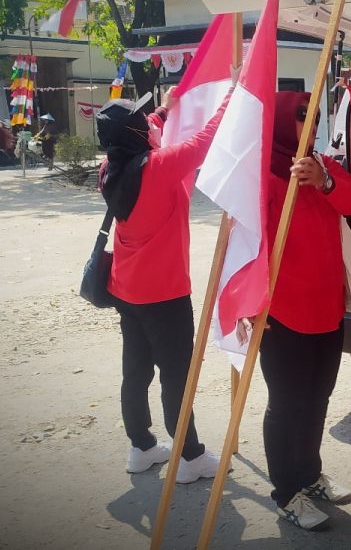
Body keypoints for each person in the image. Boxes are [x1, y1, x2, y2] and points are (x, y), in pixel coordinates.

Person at [243, 91, 351, 530]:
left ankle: (310, 477)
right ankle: (287, 492)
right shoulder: (262, 176)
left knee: (318, 399)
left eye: (314, 117)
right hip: (282, 315)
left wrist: (325, 182)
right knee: (287, 405)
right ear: (279, 121)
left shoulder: (322, 165)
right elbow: (245, 245)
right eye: (300, 116)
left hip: (328, 310)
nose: (310, 125)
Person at [96, 89, 227, 479]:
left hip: (127, 289)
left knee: (135, 370)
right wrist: (232, 92)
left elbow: (146, 129)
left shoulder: (110, 166)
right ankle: (189, 458)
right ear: (134, 135)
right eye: (141, 123)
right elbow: (205, 141)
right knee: (176, 375)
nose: (147, 125)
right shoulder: (158, 166)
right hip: (164, 293)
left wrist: (164, 110)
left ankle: (142, 447)